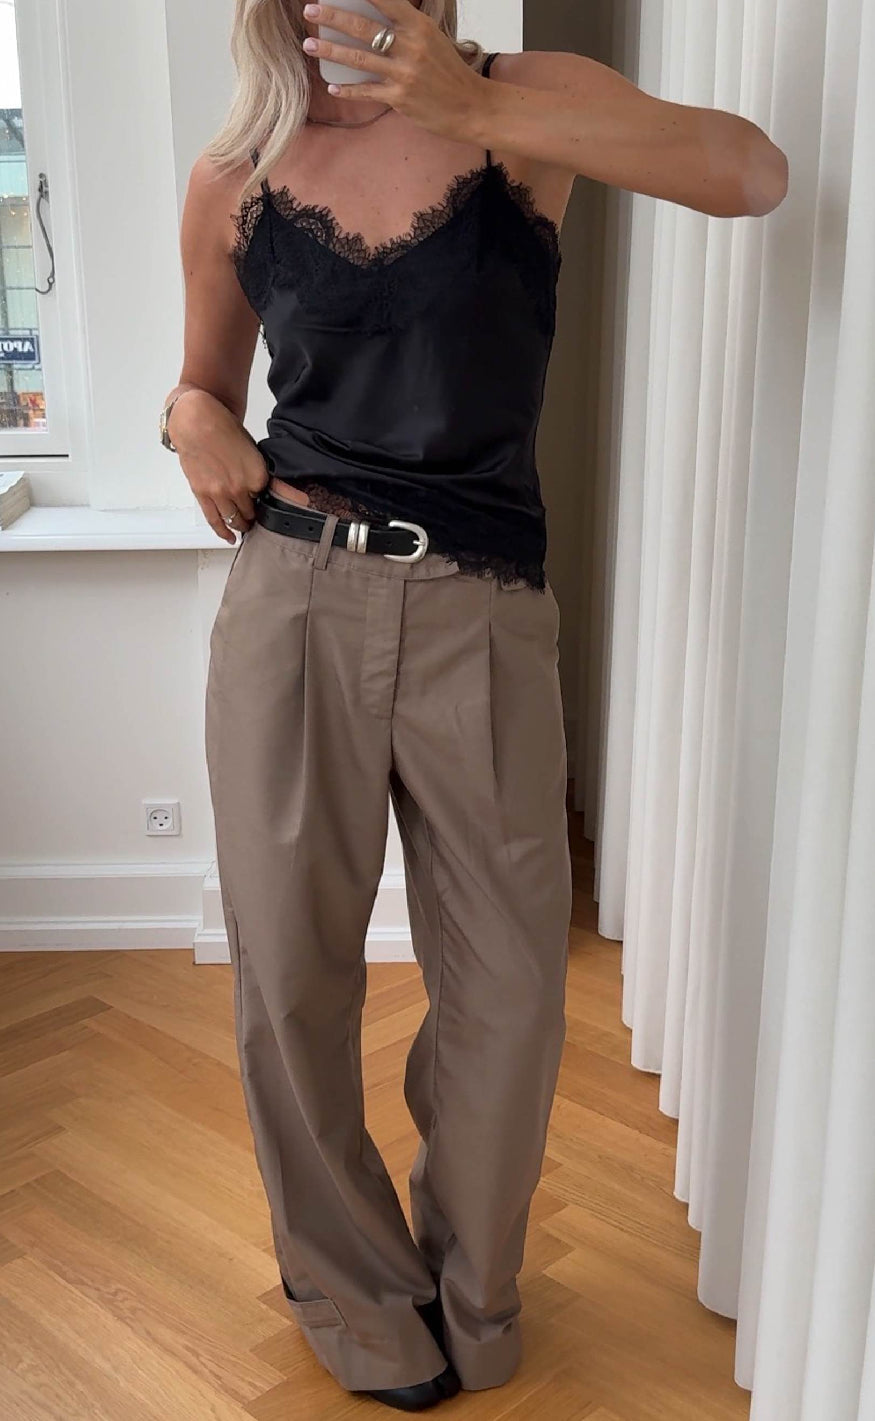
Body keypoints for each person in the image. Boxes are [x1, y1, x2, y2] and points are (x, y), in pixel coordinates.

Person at [160, 1, 788, 1411]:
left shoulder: (523, 106)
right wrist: (190, 418)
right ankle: (351, 1289)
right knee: (290, 980)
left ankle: (470, 1285)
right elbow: (202, 384)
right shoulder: (237, 172)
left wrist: (476, 105)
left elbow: (753, 174)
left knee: (509, 993)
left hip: (484, 612)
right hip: (293, 601)